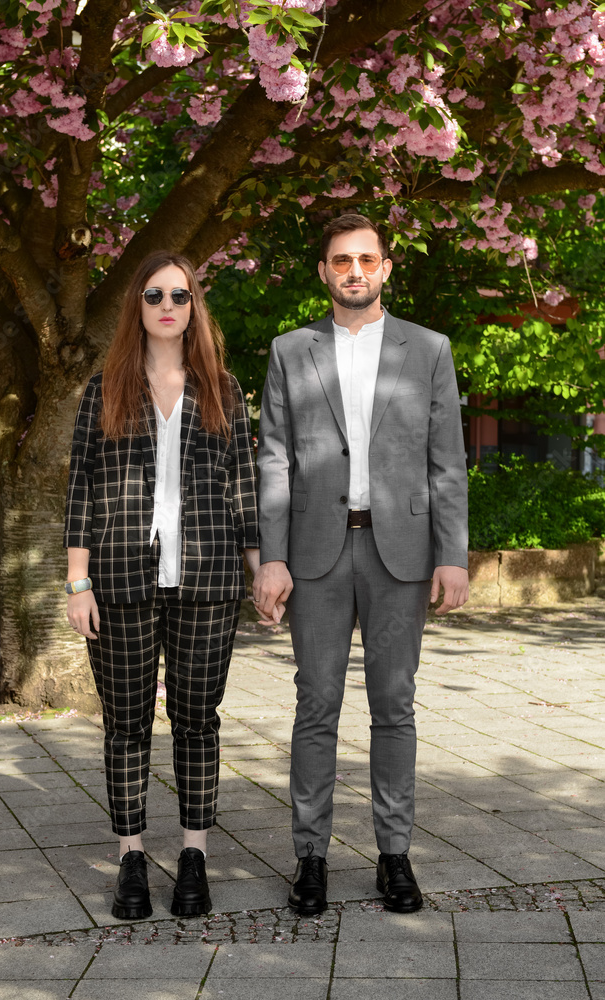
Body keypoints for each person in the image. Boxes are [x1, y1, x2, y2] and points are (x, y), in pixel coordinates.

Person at [253, 214, 469, 916]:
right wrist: (273, 557)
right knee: (315, 705)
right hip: (315, 554)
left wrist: (453, 556)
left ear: (385, 267)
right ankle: (309, 858)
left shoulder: (428, 348)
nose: (354, 270)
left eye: (365, 259)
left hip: (398, 553)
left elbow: (447, 462)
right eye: (340, 259)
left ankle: (393, 855)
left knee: (393, 706)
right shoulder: (291, 350)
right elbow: (274, 460)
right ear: (323, 271)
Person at [64, 250, 263, 920]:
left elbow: (244, 485)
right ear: (137, 307)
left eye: (180, 295)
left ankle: (194, 855)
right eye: (154, 295)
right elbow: (81, 489)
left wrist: (258, 564)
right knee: (125, 726)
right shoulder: (104, 388)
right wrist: (76, 582)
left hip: (206, 579)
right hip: (119, 578)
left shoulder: (223, 389)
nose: (168, 306)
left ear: (193, 306)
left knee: (196, 722)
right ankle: (128, 858)